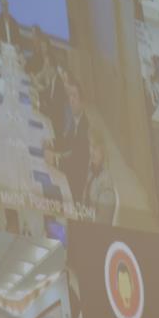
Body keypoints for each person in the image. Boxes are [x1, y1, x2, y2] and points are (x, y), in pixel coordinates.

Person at [44, 75, 89, 203]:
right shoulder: (77, 120)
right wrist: (51, 143)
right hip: (67, 173)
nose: (71, 100)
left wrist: (55, 160)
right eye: (70, 96)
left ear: (83, 102)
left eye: (75, 96)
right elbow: (67, 141)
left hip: (73, 187)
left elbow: (76, 163)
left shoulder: (85, 129)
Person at [82, 127, 115, 224]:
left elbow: (101, 222)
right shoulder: (90, 170)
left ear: (103, 150)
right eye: (90, 146)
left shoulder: (106, 184)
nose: (91, 152)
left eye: (95, 147)